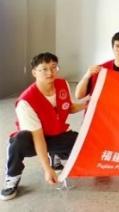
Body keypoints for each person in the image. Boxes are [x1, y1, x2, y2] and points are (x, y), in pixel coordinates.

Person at [2, 53, 87, 201]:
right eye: (44, 69)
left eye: (53, 67)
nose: (50, 72)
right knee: (18, 142)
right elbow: (38, 137)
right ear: (34, 72)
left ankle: (55, 154)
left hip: (56, 133)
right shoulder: (26, 101)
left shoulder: (62, 84)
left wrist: (88, 104)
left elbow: (68, 107)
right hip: (32, 140)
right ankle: (12, 177)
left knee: (80, 145)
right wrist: (47, 169)